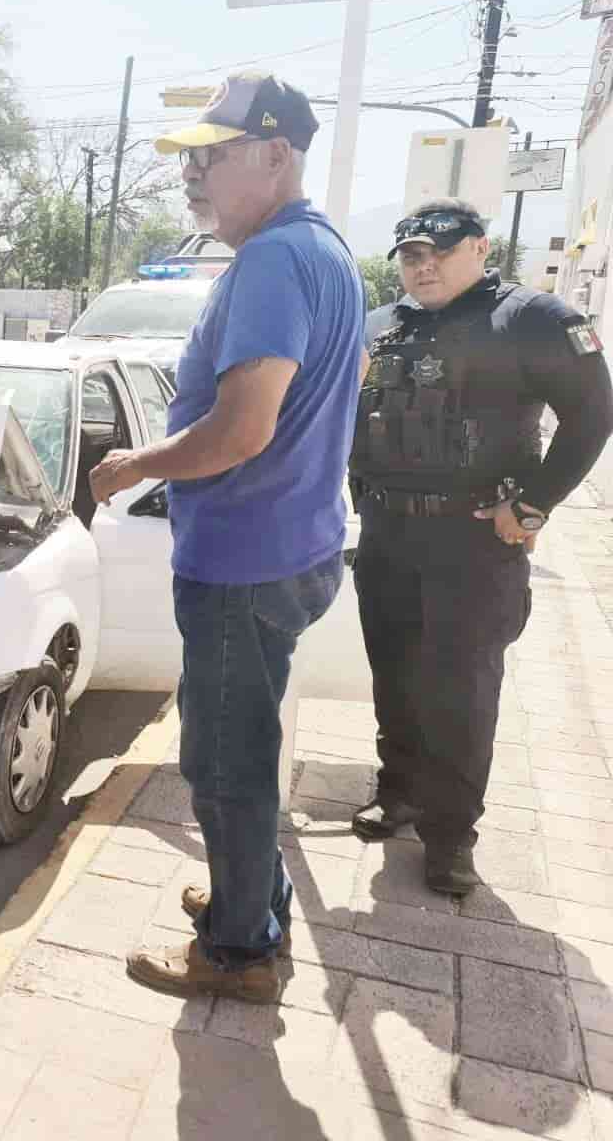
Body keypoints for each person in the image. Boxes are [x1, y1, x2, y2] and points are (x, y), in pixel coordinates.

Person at [89, 72, 364, 1002]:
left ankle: (238, 954)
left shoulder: (273, 263)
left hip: (246, 559)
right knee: (245, 745)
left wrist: (138, 466)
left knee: (224, 764)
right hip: (289, 544)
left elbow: (242, 429)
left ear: (278, 155)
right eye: (188, 160)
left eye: (214, 156)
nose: (192, 176)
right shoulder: (322, 250)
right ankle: (255, 894)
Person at [349, 199, 613, 894]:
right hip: (388, 534)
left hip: (472, 542)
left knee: (461, 690)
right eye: (409, 254)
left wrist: (534, 503)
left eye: (438, 249)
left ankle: (450, 834)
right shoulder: (380, 324)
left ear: (480, 248)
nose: (422, 264)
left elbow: (593, 412)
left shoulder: (532, 319)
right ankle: (399, 791)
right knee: (394, 672)